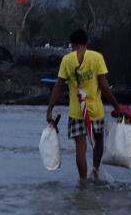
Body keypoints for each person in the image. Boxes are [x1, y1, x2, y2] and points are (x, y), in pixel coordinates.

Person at [45, 29, 124, 182]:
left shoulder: (67, 60)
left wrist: (49, 109)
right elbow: (104, 86)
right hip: (95, 111)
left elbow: (58, 87)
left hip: (76, 113)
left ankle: (83, 182)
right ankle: (95, 170)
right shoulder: (97, 57)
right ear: (87, 42)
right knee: (98, 142)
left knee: (80, 148)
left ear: (72, 44)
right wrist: (116, 106)